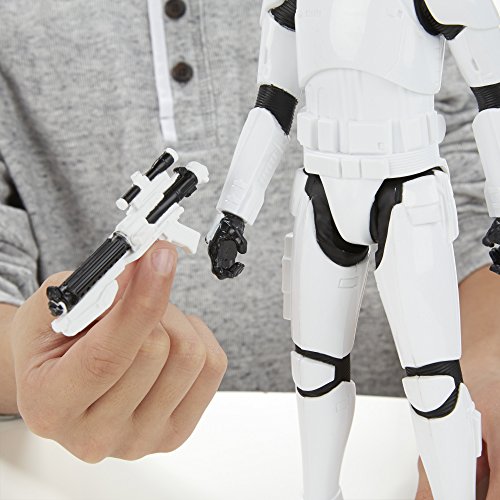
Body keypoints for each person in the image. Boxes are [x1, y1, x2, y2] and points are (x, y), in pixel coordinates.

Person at [0, 1, 498, 497]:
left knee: (436, 382)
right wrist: (233, 214)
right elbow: (273, 105)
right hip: (322, 188)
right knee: (315, 370)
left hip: (410, 186)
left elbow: (489, 101)